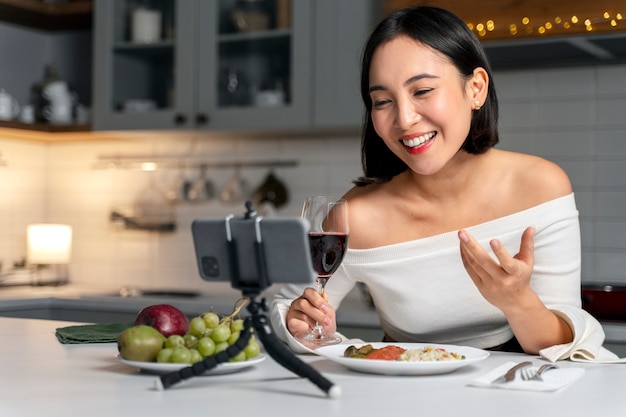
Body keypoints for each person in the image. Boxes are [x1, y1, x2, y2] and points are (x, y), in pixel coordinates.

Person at [270, 6, 612, 360]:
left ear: (476, 88)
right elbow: (288, 310)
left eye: (422, 91)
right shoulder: (357, 216)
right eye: (383, 101)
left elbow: (565, 346)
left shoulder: (541, 186)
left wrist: (517, 301)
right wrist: (307, 328)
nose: (404, 119)